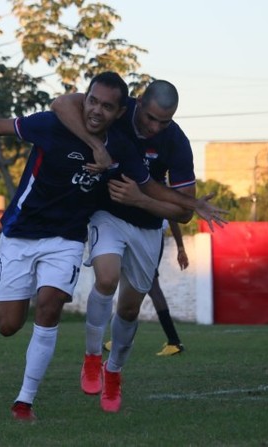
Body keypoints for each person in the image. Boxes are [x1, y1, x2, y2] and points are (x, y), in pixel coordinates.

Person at [0, 72, 224, 421]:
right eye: (92, 101)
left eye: (106, 106)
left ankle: (26, 401)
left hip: (68, 237)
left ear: (119, 112)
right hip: (23, 232)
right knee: (8, 325)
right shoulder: (54, 124)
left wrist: (191, 204)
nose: (97, 110)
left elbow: (150, 187)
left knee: (54, 307)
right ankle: (81, 355)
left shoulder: (124, 146)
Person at [51, 79, 222, 412]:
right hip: (107, 214)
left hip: (147, 227)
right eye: (151, 118)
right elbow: (61, 104)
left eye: (165, 121)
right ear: (139, 103)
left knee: (129, 309)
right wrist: (94, 145)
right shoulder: (116, 107)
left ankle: (113, 373)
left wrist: (141, 200)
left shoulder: (176, 142)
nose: (156, 126)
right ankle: (92, 355)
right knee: (106, 278)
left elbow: (184, 213)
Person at [103, 219, 189, 356]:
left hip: (150, 238)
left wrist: (180, 248)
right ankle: (119, 339)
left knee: (152, 288)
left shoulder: (156, 202)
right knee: (135, 285)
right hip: (143, 237)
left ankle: (174, 342)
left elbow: (172, 217)